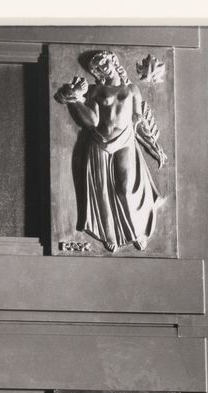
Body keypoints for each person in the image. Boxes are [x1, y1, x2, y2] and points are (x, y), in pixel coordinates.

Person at [54, 50, 167, 253]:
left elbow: (138, 123)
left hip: (125, 141)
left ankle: (136, 232)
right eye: (96, 67)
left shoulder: (132, 89)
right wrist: (75, 100)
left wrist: (154, 147)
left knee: (125, 188)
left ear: (113, 61)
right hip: (100, 141)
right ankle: (109, 235)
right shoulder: (95, 90)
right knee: (103, 191)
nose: (101, 67)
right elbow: (93, 121)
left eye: (103, 62)